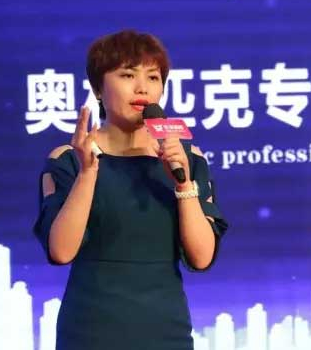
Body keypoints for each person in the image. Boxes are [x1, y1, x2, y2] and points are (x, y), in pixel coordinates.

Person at [33, 29, 228, 350]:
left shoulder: (187, 158)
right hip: (90, 332)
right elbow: (61, 251)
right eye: (127, 75)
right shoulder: (68, 159)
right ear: (98, 88)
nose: (142, 88)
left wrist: (182, 183)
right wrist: (88, 173)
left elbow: (202, 257)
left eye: (153, 77)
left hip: (165, 331)